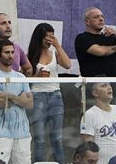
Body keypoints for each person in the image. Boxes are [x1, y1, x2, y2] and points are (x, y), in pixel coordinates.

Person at [25, 23, 70, 163]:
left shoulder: (55, 53)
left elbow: (68, 65)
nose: (49, 39)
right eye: (47, 37)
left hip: (55, 95)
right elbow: (23, 78)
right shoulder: (30, 55)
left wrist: (58, 45)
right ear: (40, 37)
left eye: (52, 36)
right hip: (37, 95)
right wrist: (36, 77)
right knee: (39, 138)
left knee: (57, 138)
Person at [0, 39, 34, 164]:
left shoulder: (20, 77)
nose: (11, 55)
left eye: (12, 52)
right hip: (0, 132)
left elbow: (30, 103)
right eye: (7, 52)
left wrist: (9, 96)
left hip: (23, 133)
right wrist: (20, 98)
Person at [76, 7, 116, 77]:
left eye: (102, 16)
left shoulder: (109, 36)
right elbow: (100, 52)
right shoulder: (82, 38)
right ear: (87, 21)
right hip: (92, 83)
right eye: (96, 17)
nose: (101, 19)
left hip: (113, 83)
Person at [80, 82, 116, 164]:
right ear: (95, 93)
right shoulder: (90, 114)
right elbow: (88, 146)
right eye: (104, 86)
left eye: (109, 85)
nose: (109, 87)